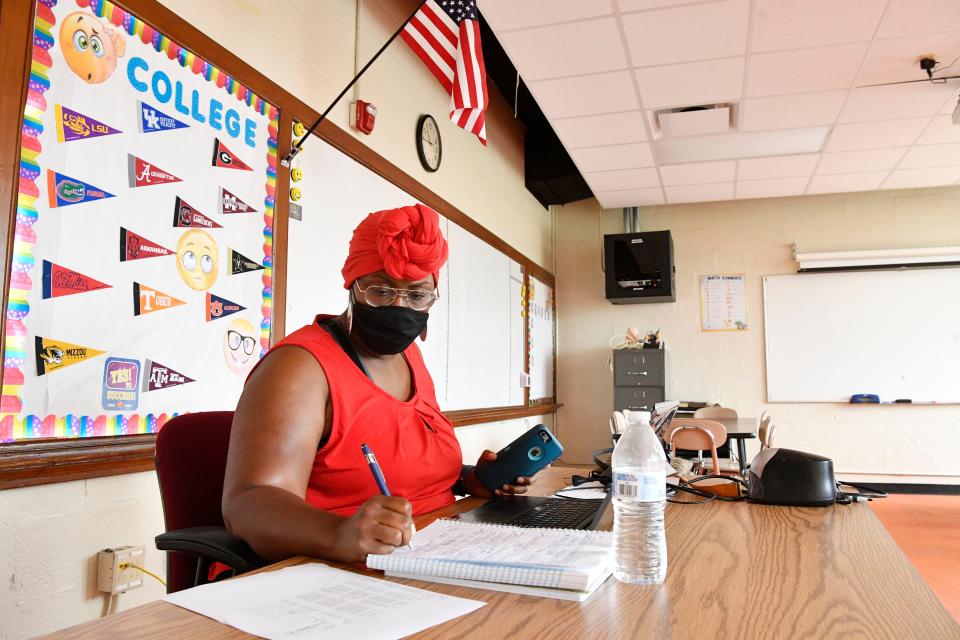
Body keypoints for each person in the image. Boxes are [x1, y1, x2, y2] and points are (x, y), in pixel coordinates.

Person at [222, 203, 531, 562]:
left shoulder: (409, 356)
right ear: (353, 286)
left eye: (417, 296)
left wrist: (468, 480)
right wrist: (339, 533)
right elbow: (249, 502)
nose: (400, 307)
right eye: (381, 292)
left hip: (438, 551)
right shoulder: (300, 366)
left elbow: (406, 469)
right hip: (331, 569)